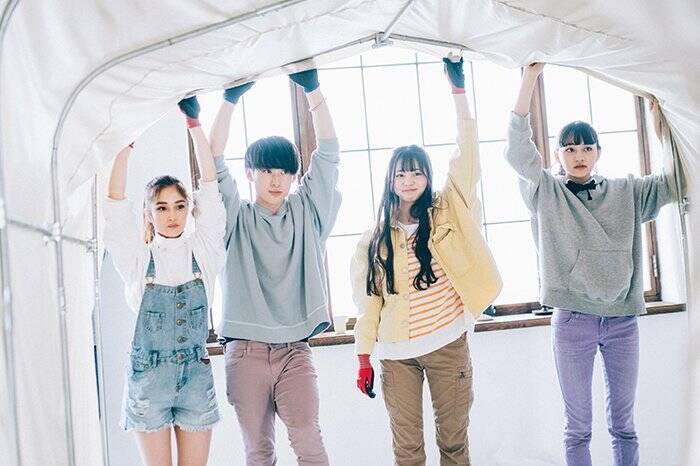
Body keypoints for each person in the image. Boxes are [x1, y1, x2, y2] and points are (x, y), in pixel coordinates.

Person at [505, 62, 675, 466]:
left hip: (623, 320)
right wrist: (529, 79)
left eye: (586, 148)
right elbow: (517, 151)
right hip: (572, 320)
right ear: (558, 154)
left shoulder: (627, 191)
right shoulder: (546, 191)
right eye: (569, 148)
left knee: (624, 425)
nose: (578, 155)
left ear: (598, 152)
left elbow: (675, 181)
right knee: (578, 428)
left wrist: (662, 128)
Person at [351, 54, 502, 466]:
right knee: (407, 450)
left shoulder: (448, 209)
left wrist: (458, 92)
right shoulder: (373, 239)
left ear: (427, 177)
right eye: (401, 174)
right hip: (396, 353)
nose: (409, 180)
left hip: (448, 343)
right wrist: (363, 357)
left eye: (416, 172)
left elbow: (467, 156)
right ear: (390, 180)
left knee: (453, 444)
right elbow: (369, 304)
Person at [210, 70, 340, 466]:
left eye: (284, 171)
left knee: (309, 442)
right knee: (258, 451)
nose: (276, 179)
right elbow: (212, 162)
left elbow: (329, 152)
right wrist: (229, 101)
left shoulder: (307, 211)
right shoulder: (235, 218)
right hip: (244, 350)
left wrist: (313, 89)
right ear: (250, 173)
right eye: (267, 170)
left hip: (295, 350)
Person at [104, 96, 226, 466]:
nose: (172, 215)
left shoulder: (204, 252)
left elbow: (210, 185)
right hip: (148, 383)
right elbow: (114, 203)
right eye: (161, 207)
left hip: (195, 379)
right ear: (148, 213)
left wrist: (194, 124)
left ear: (189, 209)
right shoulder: (138, 259)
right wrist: (125, 145)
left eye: (179, 206)